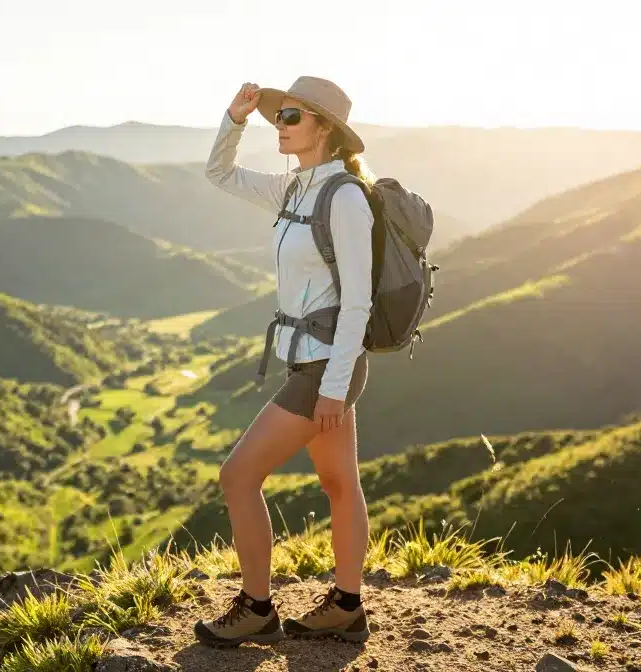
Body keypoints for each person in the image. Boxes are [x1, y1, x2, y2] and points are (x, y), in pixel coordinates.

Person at [194, 76, 375, 647]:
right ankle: (347, 606)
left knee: (238, 475)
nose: (282, 124)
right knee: (339, 482)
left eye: (292, 116)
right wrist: (236, 117)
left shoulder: (344, 198)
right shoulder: (296, 189)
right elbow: (219, 173)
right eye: (281, 115)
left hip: (326, 368)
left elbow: (359, 303)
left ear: (326, 128)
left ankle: (256, 608)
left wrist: (333, 388)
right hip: (310, 363)